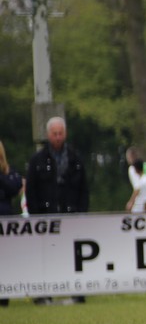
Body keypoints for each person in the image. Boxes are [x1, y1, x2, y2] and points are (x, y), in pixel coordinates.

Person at [27, 117, 91, 305]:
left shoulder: (75, 158)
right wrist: (35, 216)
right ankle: (43, 293)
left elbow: (84, 189)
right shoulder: (37, 160)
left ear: (65, 134)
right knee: (46, 256)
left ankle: (76, 291)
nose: (57, 137)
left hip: (71, 216)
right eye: (54, 134)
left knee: (72, 255)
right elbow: (31, 190)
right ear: (48, 135)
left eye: (60, 133)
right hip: (46, 217)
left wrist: (81, 212)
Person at [0, 140, 21, 307]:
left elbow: (14, 187)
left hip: (5, 223)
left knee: (4, 260)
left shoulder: (7, 172)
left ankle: (4, 296)